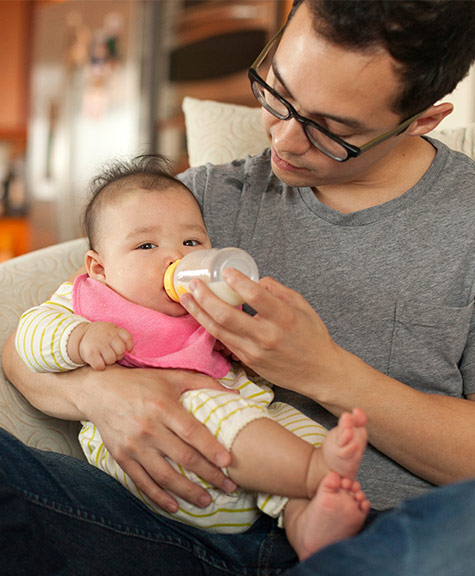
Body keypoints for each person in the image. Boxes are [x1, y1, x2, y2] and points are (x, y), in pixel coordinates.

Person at [2, 0, 475, 573]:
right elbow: (36, 339)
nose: (285, 140)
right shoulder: (193, 203)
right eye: (277, 93)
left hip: (373, 534)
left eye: (330, 131)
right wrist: (107, 397)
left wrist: (323, 369)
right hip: (157, 521)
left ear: (422, 119)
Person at [14, 154, 369, 556]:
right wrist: (78, 338)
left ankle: (309, 523)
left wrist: (249, 342)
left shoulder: (210, 305)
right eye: (146, 245)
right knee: (201, 403)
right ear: (99, 268)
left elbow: (253, 369)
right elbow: (30, 335)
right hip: (169, 467)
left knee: (289, 420)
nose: (176, 257)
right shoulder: (90, 301)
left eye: (191, 242)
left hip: (250, 457)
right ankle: (310, 471)